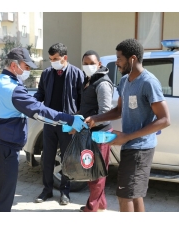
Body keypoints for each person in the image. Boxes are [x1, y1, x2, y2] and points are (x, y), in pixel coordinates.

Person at [0, 47, 87, 212]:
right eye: (26, 66)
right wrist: (70, 119)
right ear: (13, 65)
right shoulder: (13, 89)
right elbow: (39, 110)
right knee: (4, 198)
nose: (28, 70)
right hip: (6, 150)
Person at [85, 39, 170, 212]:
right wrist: (96, 117)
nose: (117, 62)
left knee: (124, 196)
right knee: (134, 194)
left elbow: (164, 119)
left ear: (132, 59)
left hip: (141, 148)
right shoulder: (124, 81)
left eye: (119, 58)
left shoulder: (148, 82)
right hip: (129, 145)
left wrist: (127, 137)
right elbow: (118, 111)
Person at [33, 43, 84, 205]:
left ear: (65, 58)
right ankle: (47, 190)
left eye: (56, 59)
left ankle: (65, 191)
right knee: (47, 158)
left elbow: (82, 100)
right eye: (50, 59)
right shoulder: (47, 73)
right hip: (49, 123)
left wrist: (78, 121)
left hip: (67, 124)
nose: (52, 62)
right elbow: (40, 92)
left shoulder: (77, 74)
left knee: (67, 159)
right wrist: (32, 104)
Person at [70, 50, 114, 212]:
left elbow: (105, 113)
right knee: (90, 169)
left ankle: (93, 207)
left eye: (91, 63)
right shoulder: (89, 80)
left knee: (96, 173)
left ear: (99, 64)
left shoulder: (102, 83)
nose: (88, 66)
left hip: (100, 134)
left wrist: (82, 125)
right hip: (88, 132)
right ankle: (100, 204)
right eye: (85, 64)